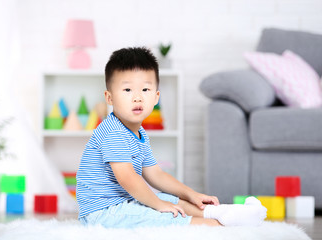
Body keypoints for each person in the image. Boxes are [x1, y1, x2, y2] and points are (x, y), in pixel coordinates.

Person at [76, 47, 267, 228]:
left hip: (124, 203)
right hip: (102, 212)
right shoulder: (112, 132)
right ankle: (221, 226)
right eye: (127, 90)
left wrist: (191, 194)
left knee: (171, 200)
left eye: (145, 90)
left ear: (156, 97)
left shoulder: (138, 134)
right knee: (165, 215)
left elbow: (156, 174)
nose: (137, 97)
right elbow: (128, 178)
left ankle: (222, 213)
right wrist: (157, 205)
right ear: (109, 98)